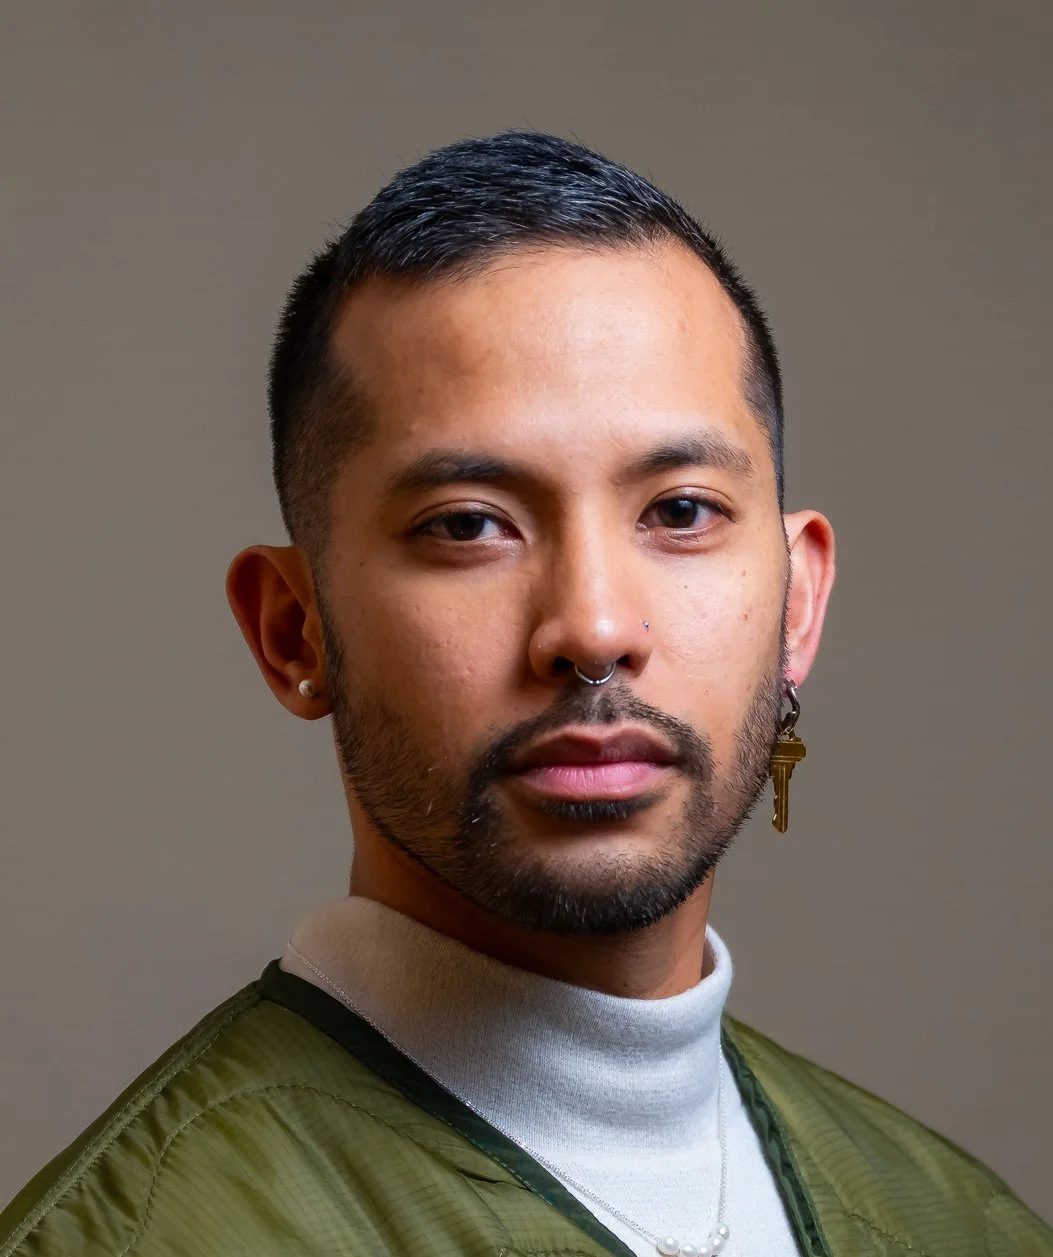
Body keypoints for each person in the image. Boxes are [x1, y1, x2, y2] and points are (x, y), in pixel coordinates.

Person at [2, 130, 1048, 1257]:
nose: (593, 627)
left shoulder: (960, 1225)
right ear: (293, 630)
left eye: (681, 511)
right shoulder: (144, 1236)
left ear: (797, 603)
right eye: (468, 526)